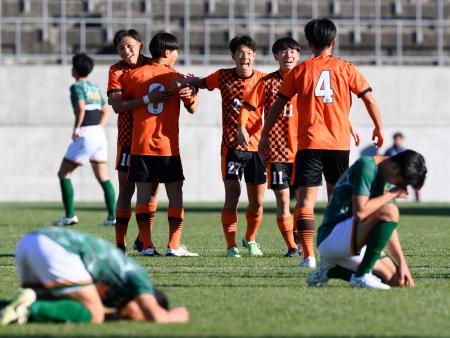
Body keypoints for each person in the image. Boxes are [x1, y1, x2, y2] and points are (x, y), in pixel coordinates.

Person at [260, 18, 384, 268]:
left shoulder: (300, 70)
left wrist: (264, 134)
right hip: (338, 144)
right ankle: (343, 251)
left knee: (305, 203)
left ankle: (308, 256)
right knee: (338, 201)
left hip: (308, 145)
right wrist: (378, 126)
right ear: (333, 42)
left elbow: (278, 105)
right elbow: (368, 99)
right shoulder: (346, 68)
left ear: (308, 43)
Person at [178, 36, 267, 257]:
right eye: (240, 53)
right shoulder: (222, 76)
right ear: (233, 56)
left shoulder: (264, 80)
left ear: (254, 56)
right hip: (231, 147)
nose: (244, 57)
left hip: (257, 149)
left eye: (248, 53)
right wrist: (187, 81)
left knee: (257, 201)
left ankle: (250, 239)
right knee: (233, 194)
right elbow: (201, 83)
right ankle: (231, 246)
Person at [0, 227, 189, 325]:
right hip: (56, 248)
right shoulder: (140, 278)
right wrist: (175, 315)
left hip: (30, 241)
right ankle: (28, 310)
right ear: (145, 301)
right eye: (142, 315)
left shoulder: (119, 290)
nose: (137, 318)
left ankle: (11, 308)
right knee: (94, 314)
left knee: (44, 299)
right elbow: (157, 317)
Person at [121, 32, 199, 257]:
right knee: (175, 195)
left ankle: (146, 246)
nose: (177, 55)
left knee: (143, 197)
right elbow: (193, 108)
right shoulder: (176, 77)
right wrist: (194, 92)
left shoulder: (134, 76)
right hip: (167, 146)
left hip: (140, 145)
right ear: (167, 52)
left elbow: (123, 104)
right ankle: (173, 245)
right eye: (176, 51)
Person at [307, 150, 427, 289]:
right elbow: (360, 211)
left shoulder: (385, 174)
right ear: (395, 168)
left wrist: (402, 264)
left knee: (398, 280)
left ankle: (329, 271)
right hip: (332, 237)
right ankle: (361, 276)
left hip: (352, 239)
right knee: (391, 210)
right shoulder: (367, 166)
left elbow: (389, 226)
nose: (399, 187)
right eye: (401, 183)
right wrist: (391, 195)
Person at [236, 37, 301, 257]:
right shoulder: (267, 82)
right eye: (282, 52)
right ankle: (292, 246)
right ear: (275, 56)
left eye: (292, 51)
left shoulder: (307, 78)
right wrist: (241, 126)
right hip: (278, 150)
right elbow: (247, 106)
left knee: (303, 201)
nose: (288, 55)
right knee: (283, 201)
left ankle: (301, 237)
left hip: (305, 149)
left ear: (298, 54)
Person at [53, 53, 116, 226]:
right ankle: (112, 217)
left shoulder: (76, 86)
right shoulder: (94, 87)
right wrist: (98, 129)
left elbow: (81, 108)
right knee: (104, 177)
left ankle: (69, 215)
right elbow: (105, 110)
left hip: (86, 133)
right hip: (99, 133)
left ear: (74, 70)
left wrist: (77, 129)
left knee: (64, 173)